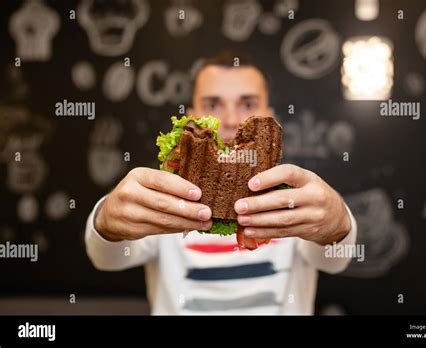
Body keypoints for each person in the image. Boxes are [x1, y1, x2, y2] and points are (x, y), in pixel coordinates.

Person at [85, 51, 357, 315]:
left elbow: (335, 260)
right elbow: (106, 259)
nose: (230, 121)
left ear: (270, 115)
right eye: (212, 105)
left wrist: (338, 223)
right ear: (191, 115)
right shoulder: (162, 196)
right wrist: (106, 220)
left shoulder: (297, 199)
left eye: (248, 105)